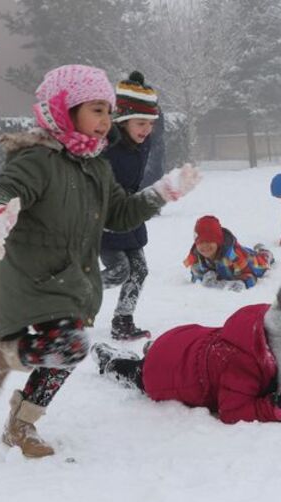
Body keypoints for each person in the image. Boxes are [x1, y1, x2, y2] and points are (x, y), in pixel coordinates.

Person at [0, 65, 201, 458]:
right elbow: (4, 189)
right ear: (65, 109)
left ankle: (20, 425)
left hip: (72, 278)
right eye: (97, 110)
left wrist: (162, 192)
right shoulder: (37, 159)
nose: (106, 120)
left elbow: (120, 214)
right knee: (71, 346)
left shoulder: (96, 165)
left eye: (109, 111)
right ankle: (2, 356)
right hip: (34, 277)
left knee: (66, 353)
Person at [91, 275, 281, 424]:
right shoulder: (242, 363)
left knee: (162, 354)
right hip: (166, 371)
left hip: (185, 341)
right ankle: (110, 361)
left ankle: (153, 349)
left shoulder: (267, 333)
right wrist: (271, 409)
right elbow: (232, 412)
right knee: (139, 372)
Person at [101, 71, 161, 341]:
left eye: (150, 123)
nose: (146, 129)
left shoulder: (143, 142)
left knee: (139, 269)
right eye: (140, 123)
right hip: (106, 219)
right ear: (122, 120)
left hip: (131, 214)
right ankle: (74, 296)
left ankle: (122, 321)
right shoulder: (106, 145)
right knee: (118, 271)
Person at [184, 215, 274, 292]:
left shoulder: (234, 256)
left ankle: (264, 251)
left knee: (262, 261)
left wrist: (242, 283)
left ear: (218, 241)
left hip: (248, 261)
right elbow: (195, 276)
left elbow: (251, 276)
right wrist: (203, 278)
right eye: (200, 242)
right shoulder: (196, 256)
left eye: (209, 241)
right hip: (236, 259)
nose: (205, 247)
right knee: (245, 252)